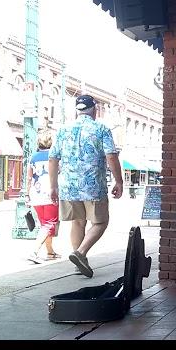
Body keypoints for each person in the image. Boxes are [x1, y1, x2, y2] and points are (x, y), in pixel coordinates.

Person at [48, 94, 123, 278]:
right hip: (93, 186)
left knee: (78, 222)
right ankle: (80, 253)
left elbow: (53, 158)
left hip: (69, 187)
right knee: (100, 222)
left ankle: (78, 263)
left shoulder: (63, 130)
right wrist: (119, 181)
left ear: (77, 110)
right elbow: (111, 156)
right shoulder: (101, 129)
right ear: (94, 110)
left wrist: (53, 186)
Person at [25, 128, 61, 263]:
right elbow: (61, 173)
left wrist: (27, 194)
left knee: (45, 224)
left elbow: (29, 178)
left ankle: (50, 252)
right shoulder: (55, 156)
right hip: (50, 193)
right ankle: (34, 252)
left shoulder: (33, 157)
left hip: (36, 194)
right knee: (49, 224)